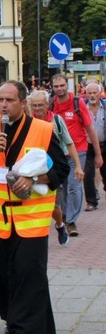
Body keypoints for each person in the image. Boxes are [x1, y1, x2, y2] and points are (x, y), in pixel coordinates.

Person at [0, 81, 69, 334]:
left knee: (28, 275)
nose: (4, 105)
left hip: (30, 220)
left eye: (10, 100)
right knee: (1, 279)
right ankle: (14, 320)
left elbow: (61, 168)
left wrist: (33, 178)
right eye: (0, 100)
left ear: (23, 103)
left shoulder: (43, 129)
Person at [51, 74, 102, 236]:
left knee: (74, 186)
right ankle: (65, 215)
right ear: (53, 88)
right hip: (58, 153)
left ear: (68, 86)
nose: (59, 89)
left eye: (62, 85)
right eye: (56, 86)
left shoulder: (77, 103)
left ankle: (71, 221)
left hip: (78, 151)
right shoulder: (51, 105)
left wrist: (98, 154)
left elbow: (90, 129)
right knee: (63, 187)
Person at [28, 91, 81, 246]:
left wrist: (78, 166)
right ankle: (35, 234)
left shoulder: (56, 120)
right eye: (34, 105)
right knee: (32, 200)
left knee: (53, 205)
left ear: (47, 104)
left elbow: (69, 143)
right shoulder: (28, 121)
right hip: (34, 167)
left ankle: (60, 225)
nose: (37, 109)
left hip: (55, 168)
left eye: (40, 105)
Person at [83, 81, 106, 211]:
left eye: (94, 93)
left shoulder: (105, 106)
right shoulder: (82, 107)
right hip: (88, 145)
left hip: (104, 143)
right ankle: (91, 202)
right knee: (88, 173)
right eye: (89, 93)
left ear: (99, 93)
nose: (92, 95)